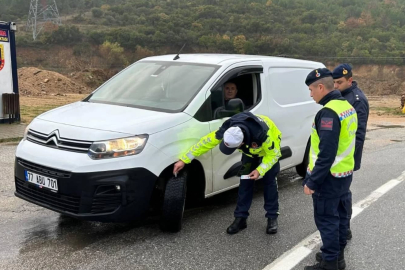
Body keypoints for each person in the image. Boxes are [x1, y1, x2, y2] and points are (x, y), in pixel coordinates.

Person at [173, 112, 282, 235]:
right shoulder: (228, 128)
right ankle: (241, 218)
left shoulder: (263, 135)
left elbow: (274, 154)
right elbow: (206, 142)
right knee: (245, 182)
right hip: (249, 154)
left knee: (269, 183)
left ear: (241, 143)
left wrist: (259, 170)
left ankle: (272, 217)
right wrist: (184, 159)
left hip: (269, 152)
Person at [303, 68, 358, 270]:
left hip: (329, 177)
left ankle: (329, 264)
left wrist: (312, 181)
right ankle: (337, 258)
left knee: (327, 220)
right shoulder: (346, 106)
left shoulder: (328, 112)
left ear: (320, 87)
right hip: (344, 174)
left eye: (311, 90)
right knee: (342, 218)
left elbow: (326, 153)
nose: (310, 95)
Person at [332, 64, 369, 241]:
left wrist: (349, 161)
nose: (336, 86)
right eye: (334, 82)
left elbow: (358, 135)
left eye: (339, 82)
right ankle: (342, 229)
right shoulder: (339, 97)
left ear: (350, 80)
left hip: (346, 158)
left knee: (343, 196)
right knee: (339, 196)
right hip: (336, 158)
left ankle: (344, 229)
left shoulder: (357, 100)